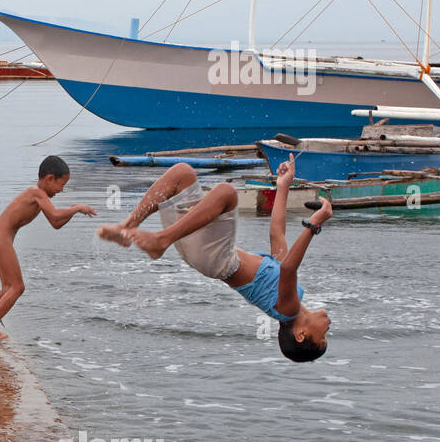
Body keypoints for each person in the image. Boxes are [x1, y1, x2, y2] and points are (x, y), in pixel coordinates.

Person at [97, 154, 331, 361]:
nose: (327, 327)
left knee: (226, 193)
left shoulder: (289, 310)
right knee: (182, 173)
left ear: (301, 335)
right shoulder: (288, 300)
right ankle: (127, 229)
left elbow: (290, 267)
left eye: (323, 336)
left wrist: (314, 224)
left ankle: (161, 240)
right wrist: (283, 186)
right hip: (202, 248)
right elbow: (277, 235)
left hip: (215, 257)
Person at [0, 155, 97, 339]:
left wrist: (72, 211)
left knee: (7, 289)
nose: (61, 190)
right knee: (17, 288)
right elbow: (56, 214)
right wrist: (76, 208)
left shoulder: (40, 197)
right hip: (2, 240)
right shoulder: (35, 192)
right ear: (50, 178)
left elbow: (55, 223)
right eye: (61, 185)